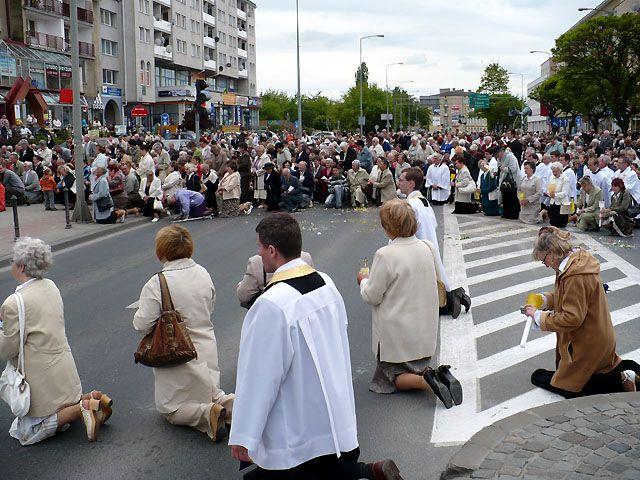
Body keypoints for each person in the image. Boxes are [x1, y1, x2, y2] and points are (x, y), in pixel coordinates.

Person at [229, 213, 403, 480]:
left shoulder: (271, 304)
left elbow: (259, 376)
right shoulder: (326, 282)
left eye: (260, 248)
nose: (259, 253)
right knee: (326, 468)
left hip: (295, 420)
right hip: (332, 410)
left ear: (272, 251)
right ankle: (367, 473)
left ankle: (365, 475)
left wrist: (244, 434)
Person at [1, 237, 113, 445]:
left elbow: (7, 349)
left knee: (30, 432)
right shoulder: (50, 286)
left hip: (40, 380)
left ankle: (82, 409)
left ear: (22, 266)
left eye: (13, 262)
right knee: (60, 404)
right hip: (64, 371)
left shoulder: (13, 303)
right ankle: (92, 398)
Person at [133, 226, 234, 442]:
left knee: (171, 409)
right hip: (206, 346)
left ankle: (207, 414)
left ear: (160, 252)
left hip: (178, 353)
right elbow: (211, 305)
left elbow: (143, 324)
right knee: (212, 391)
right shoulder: (203, 273)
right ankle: (238, 407)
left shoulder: (157, 283)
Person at [358, 200, 461, 409]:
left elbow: (372, 296)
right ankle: (436, 373)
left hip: (396, 334)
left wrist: (363, 280)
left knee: (390, 378)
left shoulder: (385, 254)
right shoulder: (427, 246)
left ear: (389, 227)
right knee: (417, 365)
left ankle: (428, 381)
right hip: (423, 331)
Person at [525, 227, 640, 398]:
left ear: (552, 253)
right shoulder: (577, 261)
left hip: (588, 343)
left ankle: (620, 380)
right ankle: (627, 373)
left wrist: (538, 317)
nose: (547, 265)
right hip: (598, 337)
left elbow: (572, 318)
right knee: (594, 371)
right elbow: (573, 298)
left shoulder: (574, 274)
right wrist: (545, 300)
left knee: (568, 387)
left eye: (544, 261)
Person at [397, 168, 470, 317]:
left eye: (401, 179)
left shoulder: (410, 204)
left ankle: (450, 301)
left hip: (417, 248)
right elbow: (434, 224)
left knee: (427, 285)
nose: (398, 182)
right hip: (429, 243)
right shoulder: (423, 201)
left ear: (411, 183)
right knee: (435, 279)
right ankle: (453, 297)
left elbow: (404, 230)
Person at [236, 251, 315, 309]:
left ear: (271, 250)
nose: (259, 252)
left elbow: (243, 296)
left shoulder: (257, 262)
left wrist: (240, 285)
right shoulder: (305, 258)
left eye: (260, 246)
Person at [496, 147, 521, 219]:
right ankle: (506, 213)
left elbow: (513, 169)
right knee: (505, 196)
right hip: (504, 180)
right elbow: (499, 166)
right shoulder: (499, 158)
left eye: (498, 154)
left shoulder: (511, 157)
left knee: (512, 197)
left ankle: (513, 214)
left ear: (501, 152)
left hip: (512, 180)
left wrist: (504, 168)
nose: (497, 157)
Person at [545, 162, 571, 228]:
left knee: (561, 225)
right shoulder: (551, 177)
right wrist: (548, 193)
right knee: (553, 223)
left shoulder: (565, 179)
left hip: (561, 204)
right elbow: (549, 187)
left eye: (556, 171)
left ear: (560, 170)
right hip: (553, 203)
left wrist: (555, 195)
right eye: (553, 171)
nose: (554, 173)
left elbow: (565, 193)